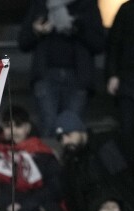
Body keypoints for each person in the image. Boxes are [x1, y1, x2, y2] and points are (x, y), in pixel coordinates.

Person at [18, 0, 106, 137]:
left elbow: (99, 44)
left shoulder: (87, 5)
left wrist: (77, 28)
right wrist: (36, 31)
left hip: (78, 78)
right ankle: (49, 152)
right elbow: (23, 42)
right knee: (49, 125)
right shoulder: (41, 4)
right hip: (46, 76)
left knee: (72, 128)